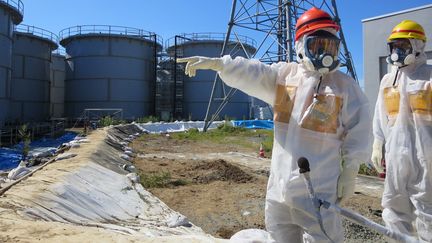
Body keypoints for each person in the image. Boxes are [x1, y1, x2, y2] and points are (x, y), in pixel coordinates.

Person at [178, 7, 371, 243]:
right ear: (301, 45)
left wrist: (351, 168)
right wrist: (221, 64)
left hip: (319, 190)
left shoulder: (344, 87)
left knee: (325, 238)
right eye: (317, 45)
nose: (324, 53)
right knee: (279, 236)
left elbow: (360, 129)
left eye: (330, 46)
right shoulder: (284, 77)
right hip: (279, 189)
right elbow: (254, 72)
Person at [371, 20, 432, 242]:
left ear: (417, 46)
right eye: (394, 47)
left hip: (426, 159)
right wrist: (378, 143)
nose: (397, 52)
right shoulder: (388, 80)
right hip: (396, 157)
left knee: (428, 211)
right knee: (393, 207)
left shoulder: (429, 77)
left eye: (403, 47)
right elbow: (380, 115)